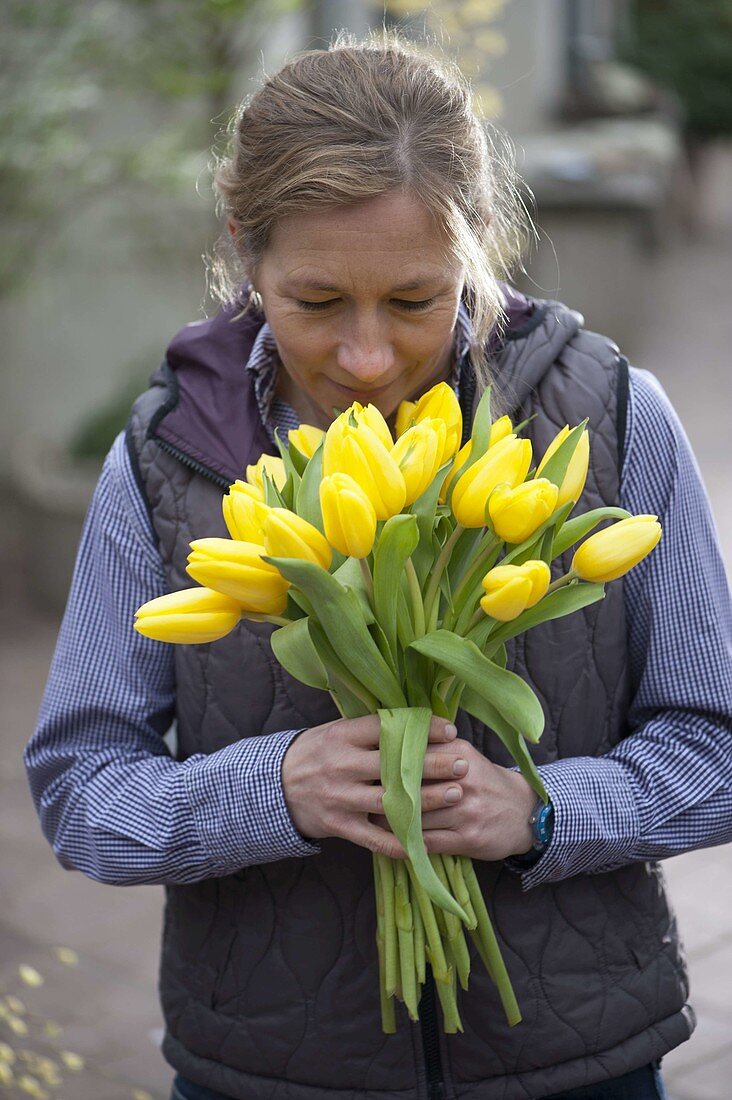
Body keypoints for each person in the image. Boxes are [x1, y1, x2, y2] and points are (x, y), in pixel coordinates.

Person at [24, 32, 732, 1100]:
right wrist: (271, 788)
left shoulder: (609, 418)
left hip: (575, 1054)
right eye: (315, 302)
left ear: (481, 242)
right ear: (244, 250)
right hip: (270, 1065)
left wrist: (542, 811)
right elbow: (82, 787)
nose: (366, 360)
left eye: (415, 300)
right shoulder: (170, 456)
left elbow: (715, 744)